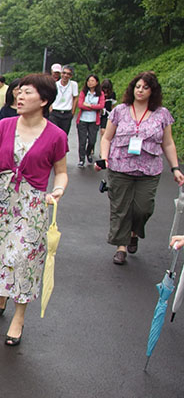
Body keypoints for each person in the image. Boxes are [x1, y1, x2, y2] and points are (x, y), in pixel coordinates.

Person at [0, 73, 69, 346]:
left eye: (27, 93)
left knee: (22, 258)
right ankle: (1, 294)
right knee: (2, 252)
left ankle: (19, 316)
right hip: (1, 203)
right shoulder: (4, 126)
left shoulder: (56, 136)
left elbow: (61, 173)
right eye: (18, 92)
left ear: (44, 100)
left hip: (32, 205)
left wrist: (58, 190)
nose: (18, 97)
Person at [97, 71, 184, 265]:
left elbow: (168, 144)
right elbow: (107, 137)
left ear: (153, 91)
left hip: (149, 169)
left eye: (145, 88)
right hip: (120, 167)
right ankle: (121, 247)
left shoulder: (162, 114)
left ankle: (134, 232)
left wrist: (175, 168)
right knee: (120, 208)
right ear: (132, 88)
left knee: (143, 208)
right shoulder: (120, 110)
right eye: (138, 87)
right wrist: (104, 158)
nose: (140, 91)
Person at [76, 74, 105, 167]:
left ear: (96, 82)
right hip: (82, 119)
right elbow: (80, 105)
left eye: (92, 81)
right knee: (82, 141)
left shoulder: (100, 94)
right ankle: (81, 159)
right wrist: (94, 107)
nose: (90, 83)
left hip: (94, 120)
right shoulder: (83, 92)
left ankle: (88, 153)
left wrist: (89, 105)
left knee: (92, 140)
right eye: (89, 81)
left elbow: (101, 106)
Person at [48, 65, 78, 136]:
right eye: (64, 73)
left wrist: (73, 112)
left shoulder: (73, 84)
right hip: (55, 112)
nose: (65, 75)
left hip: (66, 113)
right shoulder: (55, 84)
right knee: (53, 134)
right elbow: (49, 96)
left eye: (68, 74)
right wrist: (50, 109)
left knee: (63, 136)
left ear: (71, 76)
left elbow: (75, 98)